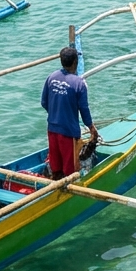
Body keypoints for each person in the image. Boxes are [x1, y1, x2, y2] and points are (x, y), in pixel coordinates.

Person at [41, 47, 97, 179]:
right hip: (68, 133)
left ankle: (55, 185)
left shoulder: (51, 77)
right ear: (75, 62)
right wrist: (91, 128)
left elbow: (44, 102)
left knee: (56, 166)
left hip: (52, 129)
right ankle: (70, 191)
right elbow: (84, 109)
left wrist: (56, 113)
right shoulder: (79, 84)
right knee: (70, 169)